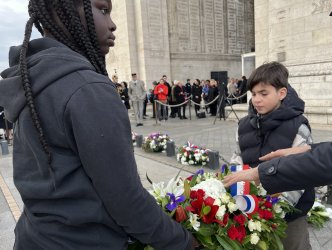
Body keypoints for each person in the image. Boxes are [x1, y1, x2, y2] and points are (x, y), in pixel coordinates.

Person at [0, 1, 196, 249]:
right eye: (103, 10)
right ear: (62, 13)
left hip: (35, 237)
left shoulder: (33, 79)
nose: (112, 24)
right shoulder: (87, 88)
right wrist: (184, 242)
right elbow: (126, 201)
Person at [224, 1, 332, 249]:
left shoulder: (297, 123)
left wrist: (261, 176)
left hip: (284, 213)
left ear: (281, 93)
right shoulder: (247, 124)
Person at [230, 62, 314, 250]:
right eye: (253, 94)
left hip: (289, 215)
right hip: (249, 209)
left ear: (281, 93)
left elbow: (302, 173)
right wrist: (233, 188)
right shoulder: (243, 125)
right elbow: (238, 158)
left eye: (264, 93)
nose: (257, 100)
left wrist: (276, 209)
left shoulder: (298, 127)